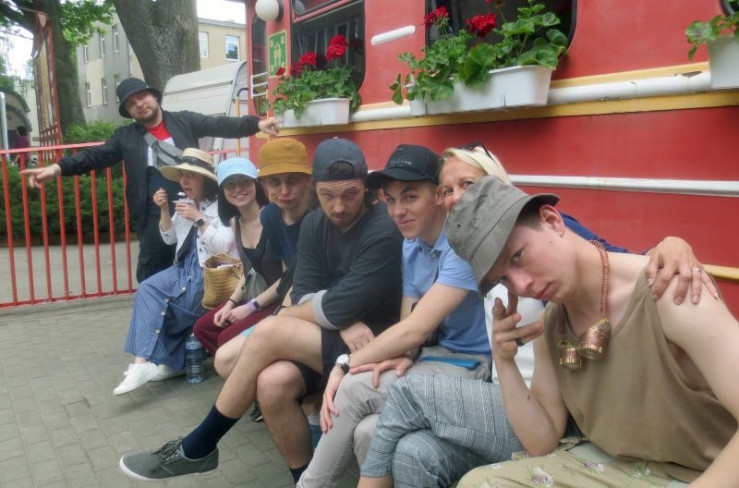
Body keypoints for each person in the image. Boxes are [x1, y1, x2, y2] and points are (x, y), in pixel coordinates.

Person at [355, 145, 715, 487]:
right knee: (413, 451)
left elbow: (611, 263)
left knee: (406, 393)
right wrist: (498, 357)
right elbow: (418, 323)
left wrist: (668, 246)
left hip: (558, 410)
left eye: (469, 184)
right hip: (516, 397)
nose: (521, 284)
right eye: (447, 190)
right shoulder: (470, 256)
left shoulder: (539, 232)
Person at [118, 137, 404, 482]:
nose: (339, 206)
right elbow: (303, 292)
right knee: (271, 384)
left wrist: (321, 313)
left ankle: (200, 445)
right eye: (328, 195)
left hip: (377, 343)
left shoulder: (382, 229)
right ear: (316, 189)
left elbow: (333, 303)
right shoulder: (316, 223)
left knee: (269, 330)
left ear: (366, 189)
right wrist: (339, 319)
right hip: (334, 334)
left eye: (350, 194)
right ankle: (303, 479)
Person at [451, 176, 736, 487]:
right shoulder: (553, 324)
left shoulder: (671, 292)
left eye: (518, 256)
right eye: (503, 279)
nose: (521, 285)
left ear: (552, 221)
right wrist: (504, 360)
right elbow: (541, 441)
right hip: (615, 466)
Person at [297, 144, 496, 488]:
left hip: (476, 367)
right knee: (367, 431)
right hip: (435, 358)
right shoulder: (412, 244)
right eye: (390, 200)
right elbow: (409, 327)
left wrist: (344, 365)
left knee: (352, 388)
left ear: (439, 195)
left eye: (410, 197)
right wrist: (405, 354)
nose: (397, 211)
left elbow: (414, 330)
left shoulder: (460, 244)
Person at [20, 77, 280, 283]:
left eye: (142, 96)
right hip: (154, 215)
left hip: (194, 208)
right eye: (131, 103)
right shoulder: (125, 137)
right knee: (152, 273)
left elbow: (219, 124)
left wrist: (256, 125)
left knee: (198, 266)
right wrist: (57, 168)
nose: (140, 104)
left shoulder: (184, 121)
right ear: (129, 111)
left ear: (154, 96)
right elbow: (94, 156)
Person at [114, 149, 237, 395]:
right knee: (148, 288)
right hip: (182, 268)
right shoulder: (186, 204)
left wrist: (199, 219)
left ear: (205, 180)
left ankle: (168, 359)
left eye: (190, 176)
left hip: (208, 274)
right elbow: (169, 238)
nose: (183, 181)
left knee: (175, 305)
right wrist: (163, 210)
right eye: (181, 175)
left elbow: (224, 245)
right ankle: (143, 362)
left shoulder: (221, 207)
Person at [193, 138, 314, 372]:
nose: (238, 189)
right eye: (230, 185)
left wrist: (251, 307)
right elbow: (249, 271)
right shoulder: (235, 223)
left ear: (257, 185)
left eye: (244, 182)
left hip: (276, 298)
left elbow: (288, 277)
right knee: (203, 328)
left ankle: (250, 370)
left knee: (226, 337)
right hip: (255, 294)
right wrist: (230, 303)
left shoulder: (275, 217)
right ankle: (246, 370)